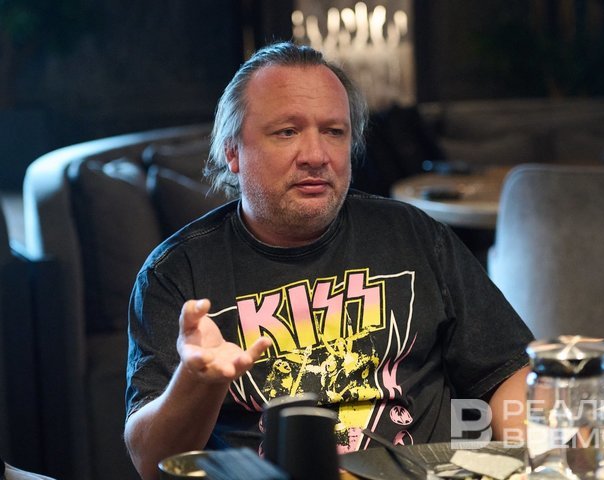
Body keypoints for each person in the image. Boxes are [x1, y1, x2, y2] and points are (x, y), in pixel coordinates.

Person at [124, 41, 534, 479]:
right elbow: (150, 461)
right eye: (287, 132)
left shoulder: (415, 235)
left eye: (334, 132)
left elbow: (508, 373)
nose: (316, 156)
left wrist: (538, 459)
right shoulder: (176, 273)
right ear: (232, 152)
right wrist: (197, 381)